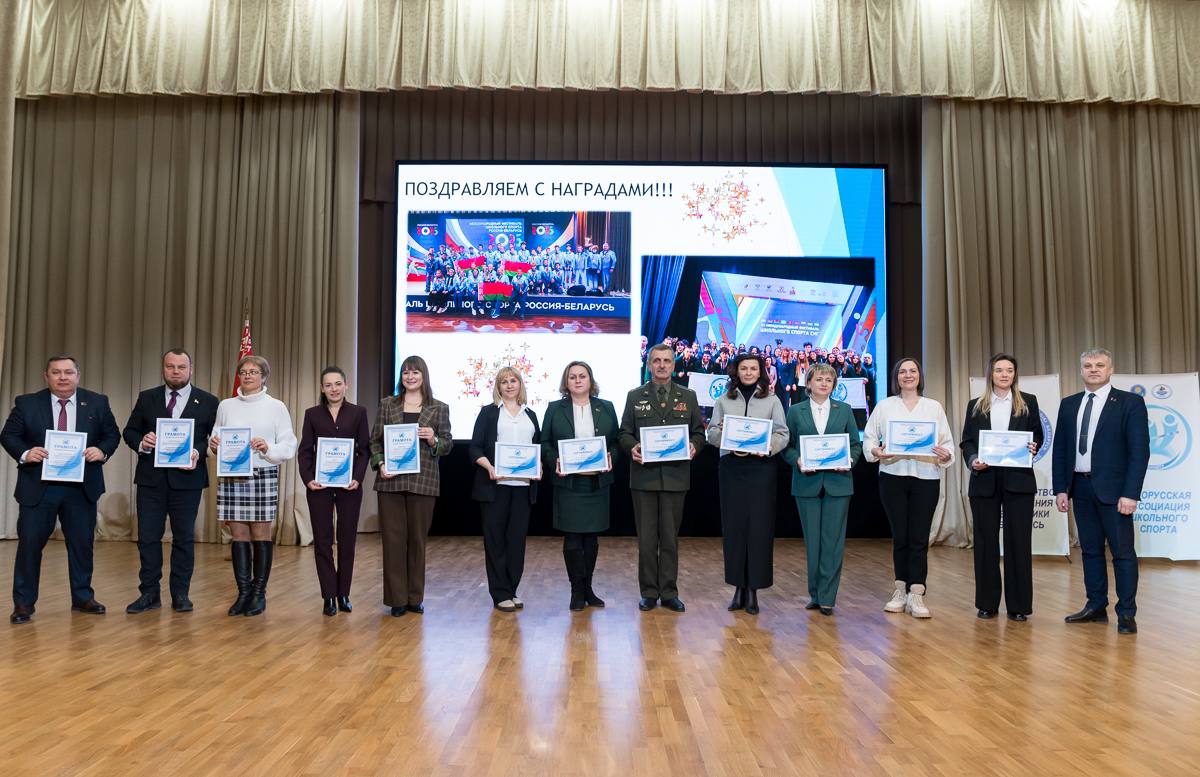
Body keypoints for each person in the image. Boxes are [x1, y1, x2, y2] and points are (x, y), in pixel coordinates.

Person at [2, 356, 120, 624]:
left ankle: (83, 597)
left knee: (81, 545)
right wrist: (26, 453)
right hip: (39, 487)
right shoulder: (27, 403)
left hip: (81, 487)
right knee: (30, 546)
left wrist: (101, 451)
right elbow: (8, 435)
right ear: (47, 376)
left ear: (78, 375)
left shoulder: (97, 402)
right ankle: (23, 604)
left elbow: (112, 435)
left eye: (68, 372)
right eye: (56, 372)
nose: (63, 377)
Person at [1052, 348, 1149, 634]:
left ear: (1110, 369)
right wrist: (1061, 489)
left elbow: (1139, 452)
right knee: (1090, 551)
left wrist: (1131, 493)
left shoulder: (1130, 403)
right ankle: (1096, 606)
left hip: (1116, 492)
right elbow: (1060, 450)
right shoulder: (1069, 404)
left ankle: (1127, 613)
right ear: (1081, 370)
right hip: (1080, 488)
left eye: (1099, 365)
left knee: (1122, 553)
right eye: (1088, 365)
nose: (1093, 369)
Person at [122, 348, 219, 614]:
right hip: (151, 480)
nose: (175, 371)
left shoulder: (208, 401)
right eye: (170, 366)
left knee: (184, 539)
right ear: (163, 368)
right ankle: (149, 593)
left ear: (191, 369)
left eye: (181, 367)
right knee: (148, 538)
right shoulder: (147, 397)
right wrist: (142, 442)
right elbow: (129, 431)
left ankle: (180, 594)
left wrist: (197, 451)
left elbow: (213, 439)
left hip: (188, 481)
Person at [861, 357, 954, 618]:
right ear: (896, 377)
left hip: (927, 477)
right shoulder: (884, 406)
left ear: (919, 376)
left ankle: (917, 592)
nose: (908, 375)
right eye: (902, 371)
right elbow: (869, 439)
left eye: (913, 371)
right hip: (893, 476)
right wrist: (876, 451)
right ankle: (900, 589)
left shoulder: (933, 407)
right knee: (900, 536)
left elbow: (947, 443)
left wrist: (945, 454)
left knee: (919, 537)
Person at [619, 343, 706, 612]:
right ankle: (648, 592)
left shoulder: (687, 396)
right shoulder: (635, 396)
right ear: (649, 365)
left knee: (669, 538)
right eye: (656, 360)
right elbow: (624, 433)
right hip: (644, 478)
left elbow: (699, 432)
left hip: (675, 477)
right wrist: (631, 447)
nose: (662, 365)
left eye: (667, 361)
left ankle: (669, 592)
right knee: (647, 541)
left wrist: (694, 445)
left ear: (673, 364)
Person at [208, 355, 297, 617]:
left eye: (254, 372)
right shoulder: (226, 405)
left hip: (262, 472)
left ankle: (259, 594)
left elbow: (289, 444)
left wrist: (268, 447)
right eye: (244, 372)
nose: (248, 376)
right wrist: (213, 445)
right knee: (238, 534)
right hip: (232, 474)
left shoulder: (276, 406)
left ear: (264, 377)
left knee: (260, 534)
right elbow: (215, 437)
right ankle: (243, 593)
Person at [959, 354, 1043, 621]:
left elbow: (1037, 435)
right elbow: (967, 441)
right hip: (984, 481)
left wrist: (1034, 446)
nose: (1004, 374)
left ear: (1015, 374)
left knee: (1019, 543)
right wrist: (973, 459)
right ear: (990, 374)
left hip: (1019, 482)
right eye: (999, 370)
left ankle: (1019, 607)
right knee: (985, 543)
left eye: (1009, 370)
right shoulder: (976, 405)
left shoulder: (1028, 402)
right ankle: (987, 603)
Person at [370, 355, 453, 617]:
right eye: (406, 372)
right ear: (401, 377)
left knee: (417, 541)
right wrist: (380, 463)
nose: (410, 377)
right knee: (393, 541)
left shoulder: (439, 407)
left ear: (423, 376)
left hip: (423, 482)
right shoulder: (387, 404)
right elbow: (374, 441)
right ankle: (396, 600)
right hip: (390, 482)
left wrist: (434, 439)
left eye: (415, 372)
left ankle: (415, 598)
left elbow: (447, 444)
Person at [706, 354, 789, 615]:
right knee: (734, 529)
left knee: (759, 529)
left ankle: (753, 589)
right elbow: (711, 433)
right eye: (744, 368)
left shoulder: (772, 400)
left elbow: (783, 433)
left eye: (754, 368)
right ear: (736, 371)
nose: (749, 372)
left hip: (761, 469)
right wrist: (724, 436)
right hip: (731, 468)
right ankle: (738, 587)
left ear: (760, 372)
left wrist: (765, 447)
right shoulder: (723, 399)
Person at [782, 362, 861, 616]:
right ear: (809, 383)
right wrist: (797, 460)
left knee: (833, 542)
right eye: (819, 379)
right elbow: (786, 446)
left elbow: (855, 445)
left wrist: (849, 460)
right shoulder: (796, 411)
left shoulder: (844, 410)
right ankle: (815, 594)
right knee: (813, 542)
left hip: (838, 483)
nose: (824, 383)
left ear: (834, 385)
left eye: (829, 380)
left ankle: (828, 597)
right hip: (807, 483)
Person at [541, 361, 620, 611]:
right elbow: (544, 442)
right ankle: (576, 591)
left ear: (590, 380)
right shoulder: (555, 409)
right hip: (569, 484)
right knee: (573, 538)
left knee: (592, 538)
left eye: (582, 376)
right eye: (572, 376)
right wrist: (555, 460)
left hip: (597, 483)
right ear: (566, 382)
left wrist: (612, 457)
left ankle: (588, 589)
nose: (577, 380)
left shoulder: (606, 407)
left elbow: (616, 442)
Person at [297, 366, 370, 617]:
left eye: (338, 384)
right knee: (323, 541)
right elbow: (305, 451)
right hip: (320, 487)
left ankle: (343, 594)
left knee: (347, 541)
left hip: (350, 487)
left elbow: (364, 450)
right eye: (328, 385)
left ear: (346, 385)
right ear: (322, 388)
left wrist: (357, 478)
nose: (334, 389)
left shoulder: (359, 413)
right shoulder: (312, 414)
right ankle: (328, 595)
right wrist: (308, 479)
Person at [469, 367, 541, 612]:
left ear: (520, 384)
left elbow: (537, 448)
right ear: (498, 387)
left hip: (523, 487)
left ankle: (511, 589)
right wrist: (489, 467)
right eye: (504, 382)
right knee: (495, 542)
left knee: (516, 542)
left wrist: (539, 466)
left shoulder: (530, 414)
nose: (509, 385)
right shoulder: (489, 413)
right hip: (495, 487)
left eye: (513, 380)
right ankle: (499, 593)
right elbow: (475, 448)